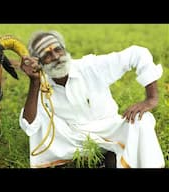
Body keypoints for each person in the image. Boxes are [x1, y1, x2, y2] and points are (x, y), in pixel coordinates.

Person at [19, 30, 165, 168]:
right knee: (43, 121)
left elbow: (137, 53)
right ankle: (103, 156)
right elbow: (29, 125)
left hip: (110, 129)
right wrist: (35, 82)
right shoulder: (41, 83)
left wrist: (151, 99)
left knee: (143, 120)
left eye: (58, 49)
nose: (56, 56)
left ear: (65, 50)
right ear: (39, 62)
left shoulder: (90, 66)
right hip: (73, 140)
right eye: (47, 54)